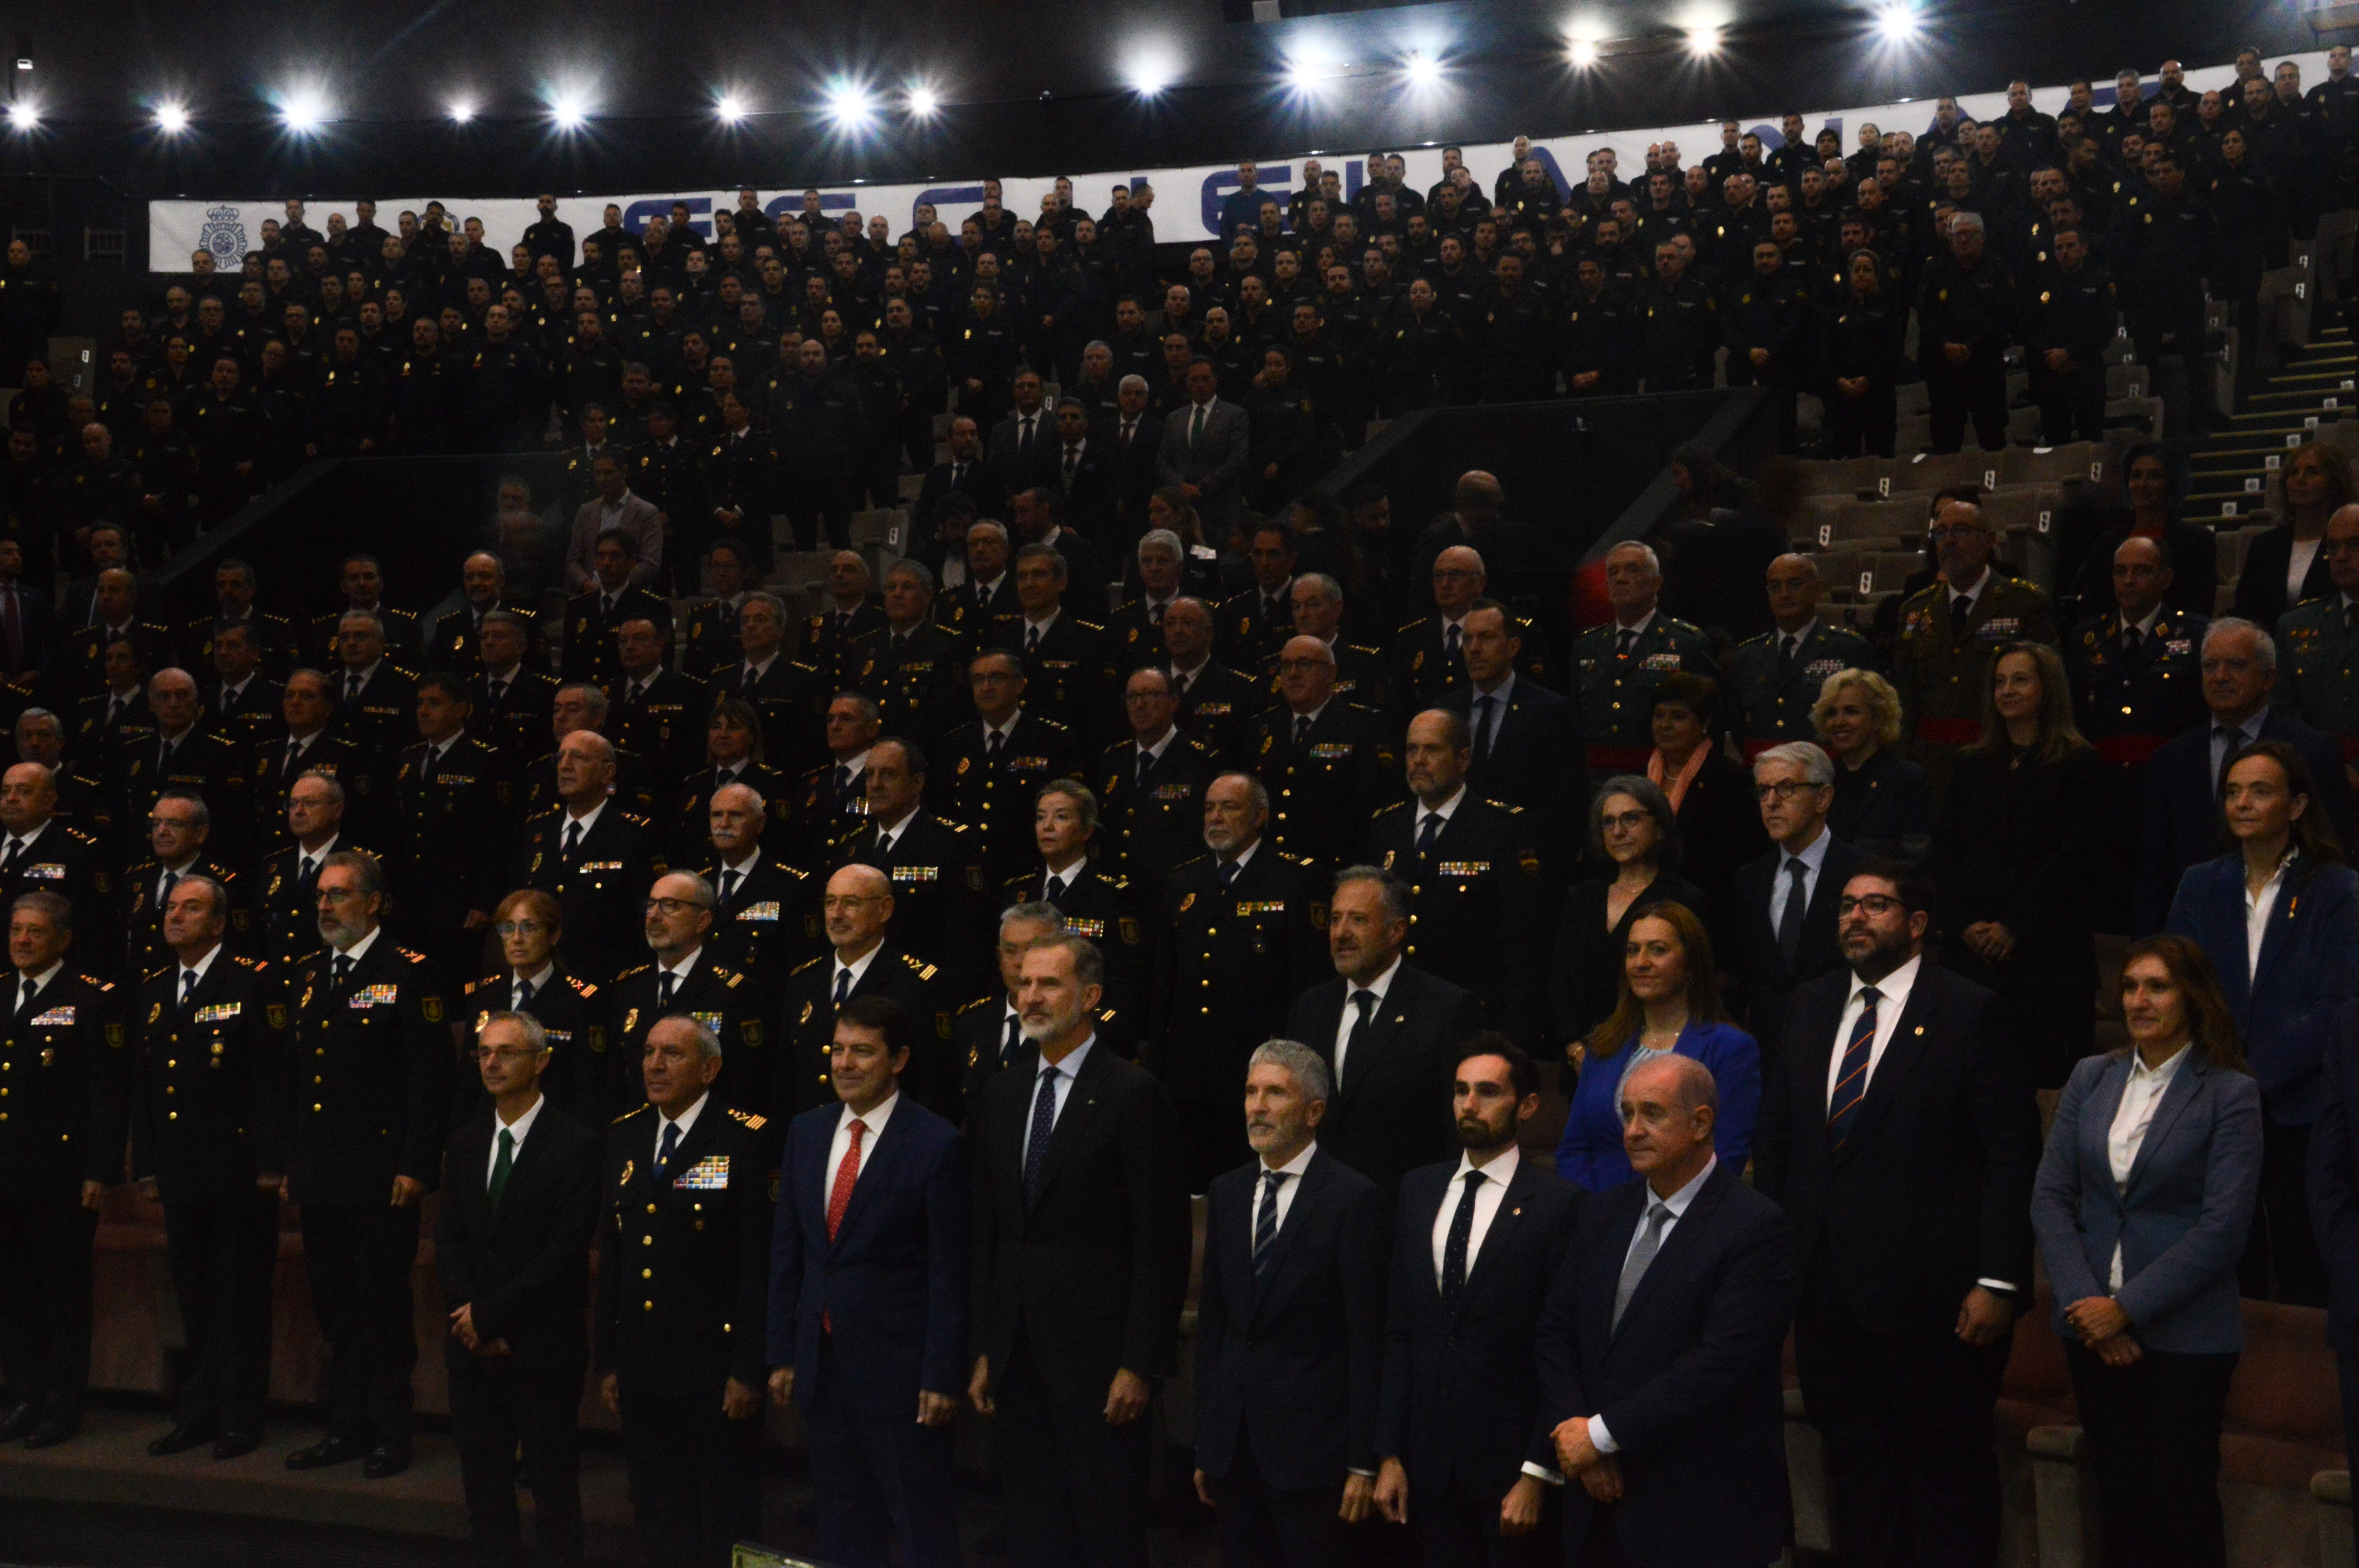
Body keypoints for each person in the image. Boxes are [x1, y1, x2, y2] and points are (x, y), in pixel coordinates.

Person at [1752, 863, 2041, 1568]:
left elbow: (2011, 1154)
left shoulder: (1970, 1010)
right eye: (1848, 905)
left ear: (1916, 924)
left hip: (1938, 1302)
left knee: (1946, 1480)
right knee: (1856, 1479)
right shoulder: (1812, 1004)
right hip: (1828, 1296)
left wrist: (2000, 1280)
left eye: (1876, 905)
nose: (1856, 917)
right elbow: (1781, 1143)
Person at [2031, 936, 2261, 1568]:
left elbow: (2222, 1229)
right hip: (2089, 1331)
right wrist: (2089, 1307)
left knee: (2180, 1506)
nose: (2139, 999)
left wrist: (2124, 1310)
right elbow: (2051, 1196)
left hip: (2185, 1337)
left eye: (2157, 986)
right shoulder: (2091, 1075)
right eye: (2130, 986)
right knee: (2119, 1501)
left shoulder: (2228, 1093)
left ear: (2192, 996)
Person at [967, 933, 1190, 1568]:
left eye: (1049, 984)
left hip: (1099, 1365)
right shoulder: (1003, 1092)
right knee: (1031, 1531)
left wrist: (1140, 1363)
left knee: (1105, 1534)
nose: (1030, 997)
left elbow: (1161, 1240)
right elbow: (988, 1229)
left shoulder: (1131, 1094)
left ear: (1090, 996)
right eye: (1023, 984)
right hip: (1017, 1358)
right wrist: (984, 1345)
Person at [1536, 1053, 1798, 1568]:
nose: (1632, 1131)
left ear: (1701, 1122)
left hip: (1699, 1511)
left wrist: (1601, 1435)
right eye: (1627, 1113)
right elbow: (1555, 1330)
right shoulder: (1601, 1212)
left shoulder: (1754, 1227)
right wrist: (1578, 1433)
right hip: (1596, 1505)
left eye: (1651, 1114)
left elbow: (1722, 1364)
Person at [766, 996, 968, 1568]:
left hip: (901, 1376)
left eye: (863, 1051)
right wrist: (784, 1349)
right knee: (841, 1521)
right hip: (823, 1367)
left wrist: (940, 1373)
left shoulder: (935, 1143)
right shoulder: (806, 1131)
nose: (845, 1063)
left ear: (899, 1058)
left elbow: (949, 1272)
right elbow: (792, 1251)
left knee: (920, 1524)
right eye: (837, 1049)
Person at [1371, 1035, 1580, 1567]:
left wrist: (1537, 1471)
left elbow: (1561, 1348)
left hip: (1513, 1469)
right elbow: (1401, 1332)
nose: (1469, 1105)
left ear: (1527, 1106)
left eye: (1487, 1092)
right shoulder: (1417, 1191)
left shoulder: (1559, 1205)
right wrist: (1389, 1453)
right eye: (1461, 1091)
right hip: (1429, 1467)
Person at [2166, 740, 2359, 1306]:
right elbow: (2179, 986)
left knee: (2304, 1266)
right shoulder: (2201, 883)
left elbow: (2339, 1005)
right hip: (2211, 1102)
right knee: (2224, 1263)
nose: (2242, 803)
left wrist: (2249, 1073)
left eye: (2259, 791)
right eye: (2232, 791)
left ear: (2297, 805)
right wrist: (2216, 1075)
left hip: (2302, 1108)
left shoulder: (2336, 889)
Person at [282, 851, 453, 1480]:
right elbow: (301, 1083)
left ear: (375, 903)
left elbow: (429, 1078)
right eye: (320, 896)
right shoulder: (307, 974)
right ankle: (344, 1425)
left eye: (340, 895)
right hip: (323, 1173)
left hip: (384, 1176)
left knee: (381, 1307)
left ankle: (391, 1431)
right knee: (335, 1306)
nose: (325, 907)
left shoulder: (408, 971)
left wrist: (416, 1164)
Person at [1191, 1039, 1389, 1568]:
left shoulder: (1353, 1200)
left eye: (1275, 1093)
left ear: (1314, 1112)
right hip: (1235, 1449)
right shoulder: (1228, 1193)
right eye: (1251, 1091)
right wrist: (1209, 1442)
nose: (1257, 1106)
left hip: (1315, 1456)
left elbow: (1366, 1341)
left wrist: (1362, 1463)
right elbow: (1215, 1326)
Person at [598, 1016, 778, 1568]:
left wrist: (748, 1368)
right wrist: (609, 1358)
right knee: (657, 1508)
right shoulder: (626, 1135)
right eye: (649, 1052)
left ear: (710, 1067)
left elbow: (758, 1265)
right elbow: (616, 1260)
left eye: (672, 1054)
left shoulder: (744, 1138)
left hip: (714, 1366)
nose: (654, 1065)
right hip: (645, 1364)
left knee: (727, 1513)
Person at [436, 1011, 601, 1568]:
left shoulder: (576, 1144)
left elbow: (563, 1254)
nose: (492, 1062)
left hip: (541, 1347)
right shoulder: (464, 1143)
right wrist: (472, 1321)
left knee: (554, 1494)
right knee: (484, 1494)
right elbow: (452, 1241)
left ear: (542, 1061)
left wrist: (492, 1317)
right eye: (484, 1052)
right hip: (472, 1348)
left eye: (507, 1052)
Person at [133, 876, 280, 1461]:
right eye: (170, 907)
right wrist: (145, 1165)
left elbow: (272, 1079)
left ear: (218, 922)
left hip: (238, 1170)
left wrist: (271, 1161)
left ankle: (241, 1418)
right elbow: (146, 1088)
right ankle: (195, 1413)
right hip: (180, 1169)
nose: (175, 916)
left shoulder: (252, 980)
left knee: (239, 1296)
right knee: (192, 1295)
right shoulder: (153, 988)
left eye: (190, 908)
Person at [1935, 642, 2101, 1089]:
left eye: (2020, 680)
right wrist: (1966, 922)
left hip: (2047, 955)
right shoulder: (1969, 764)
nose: (2006, 691)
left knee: (2045, 1085)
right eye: (1999, 682)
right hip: (1973, 954)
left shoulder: (2076, 762)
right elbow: (1944, 851)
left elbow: (2071, 856)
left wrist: (2013, 925)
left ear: (2047, 689)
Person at [0, 892, 125, 1450]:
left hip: (62, 1175)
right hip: (7, 1174)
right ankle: (25, 1395)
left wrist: (100, 1169)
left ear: (62, 940)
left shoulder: (89, 999)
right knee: (15, 1292)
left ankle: (63, 1405)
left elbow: (107, 1094)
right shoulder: (3, 993)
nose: (22, 940)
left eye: (35, 931)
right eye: (17, 929)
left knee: (63, 1294)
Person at [2135, 618, 2354, 933]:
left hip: (2288, 931)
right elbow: (2153, 871)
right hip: (2193, 937)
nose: (2220, 677)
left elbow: (2332, 853)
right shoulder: (2171, 760)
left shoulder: (2313, 752)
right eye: (2210, 666)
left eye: (2236, 665)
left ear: (2268, 677)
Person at [1281, 866, 1483, 1199]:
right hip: (1318, 1207)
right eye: (1335, 919)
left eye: (1357, 920)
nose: (1340, 933)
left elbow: (1456, 1127)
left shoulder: (1446, 1009)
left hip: (1404, 1206)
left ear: (1395, 931)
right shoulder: (1310, 1008)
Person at [1554, 900, 1759, 1192]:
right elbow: (1573, 1148)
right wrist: (1593, 1213)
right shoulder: (1605, 1045)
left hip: (1681, 1220)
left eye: (1658, 949)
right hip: (1596, 1216)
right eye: (1632, 950)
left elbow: (1726, 1155)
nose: (1641, 962)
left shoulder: (1730, 1048)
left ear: (1690, 964)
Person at [1890, 497, 2060, 790]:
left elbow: (2048, 689)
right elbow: (1906, 698)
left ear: (1989, 540)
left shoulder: (2023, 603)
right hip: (1932, 768)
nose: (1949, 541)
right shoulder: (1915, 611)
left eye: (1961, 531)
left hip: (2001, 762)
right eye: (1940, 533)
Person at [1548, 778, 1715, 1070]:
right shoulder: (1582, 896)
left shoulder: (1684, 898)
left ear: (1659, 826)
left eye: (1630, 819)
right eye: (1608, 822)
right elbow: (1561, 980)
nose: (1617, 831)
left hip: (1661, 1059)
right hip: (1584, 1061)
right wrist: (1575, 1050)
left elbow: (1699, 986)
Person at [1728, 741, 1866, 1059]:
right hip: (1767, 1055)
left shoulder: (1861, 872)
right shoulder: (1749, 880)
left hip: (1843, 1049)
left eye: (1786, 788)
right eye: (1763, 791)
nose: (1771, 802)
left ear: (1823, 798)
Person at [1644, 673, 1764, 903]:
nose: (1665, 725)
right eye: (1659, 715)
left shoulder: (1730, 780)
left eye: (1678, 717)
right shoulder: (1640, 776)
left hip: (1708, 901)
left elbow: (1743, 859)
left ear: (1705, 724)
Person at [1812, 668, 1933, 862]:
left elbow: (1915, 861)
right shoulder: (1819, 779)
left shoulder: (1908, 780)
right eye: (1831, 713)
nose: (1839, 722)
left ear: (1877, 719)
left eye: (1851, 712)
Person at [2233, 438, 2349, 628]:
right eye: (2294, 473)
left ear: (2334, 483)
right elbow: (2245, 612)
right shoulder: (2265, 546)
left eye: (2312, 472)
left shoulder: (2346, 543)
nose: (2300, 480)